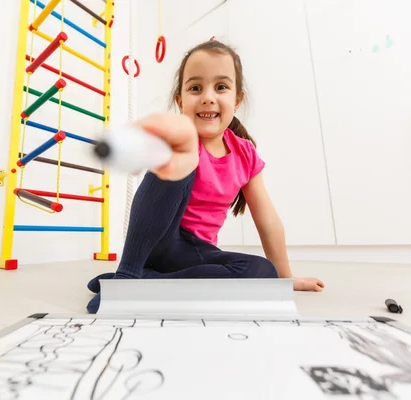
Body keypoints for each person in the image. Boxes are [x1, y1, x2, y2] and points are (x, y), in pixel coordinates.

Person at [86, 39, 324, 313]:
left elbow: (267, 219)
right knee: (179, 158)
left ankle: (149, 280)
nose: (208, 97)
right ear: (180, 101)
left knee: (261, 272)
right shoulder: (178, 143)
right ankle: (128, 276)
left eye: (220, 87)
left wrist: (286, 277)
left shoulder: (244, 153)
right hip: (155, 242)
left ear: (237, 100)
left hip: (193, 256)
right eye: (195, 88)